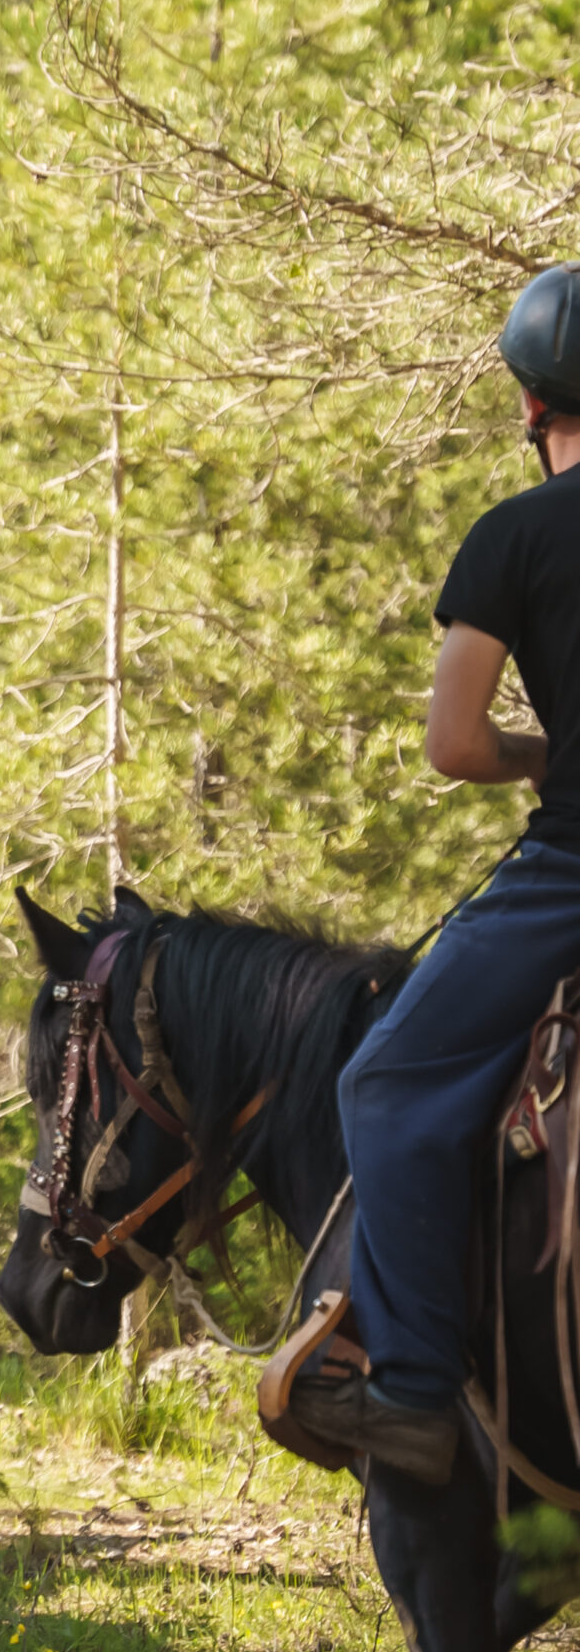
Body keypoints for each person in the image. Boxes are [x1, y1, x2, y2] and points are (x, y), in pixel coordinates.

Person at [292, 264, 580, 1485]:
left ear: (528, 405)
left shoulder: (514, 537)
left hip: (569, 869)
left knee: (386, 1084)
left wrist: (536, 753)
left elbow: (453, 745)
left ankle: (412, 1388)